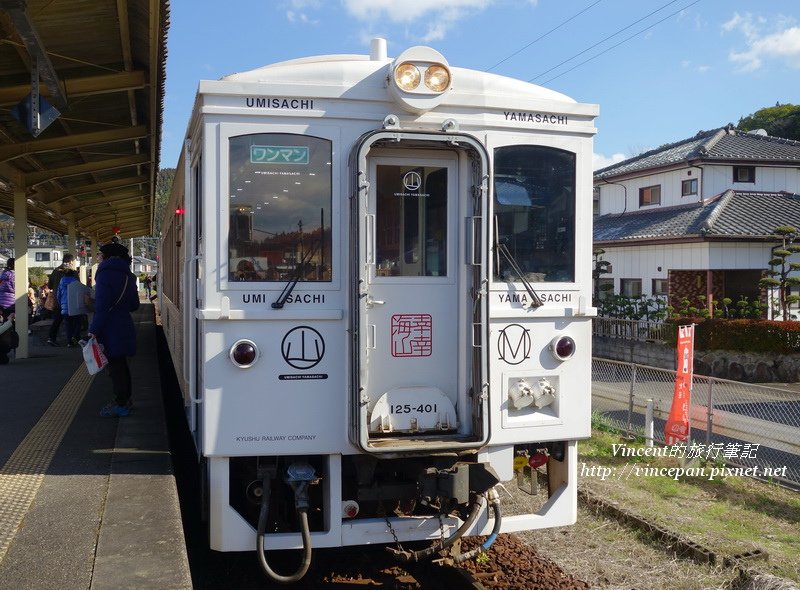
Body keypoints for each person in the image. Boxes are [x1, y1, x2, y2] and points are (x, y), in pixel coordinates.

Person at [89, 242, 139, 417]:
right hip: (124, 324)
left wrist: (93, 330)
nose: (97, 258)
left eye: (99, 255)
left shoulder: (104, 275)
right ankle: (126, 400)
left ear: (108, 256)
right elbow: (134, 305)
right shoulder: (129, 276)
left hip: (109, 328)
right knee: (122, 365)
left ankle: (121, 404)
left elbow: (101, 307)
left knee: (115, 369)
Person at [47, 253, 75, 345]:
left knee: (57, 320)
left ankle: (51, 338)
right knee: (71, 321)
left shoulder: (55, 271)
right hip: (69, 300)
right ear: (70, 261)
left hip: (57, 300)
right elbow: (77, 284)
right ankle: (70, 341)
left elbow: (49, 285)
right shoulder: (72, 272)